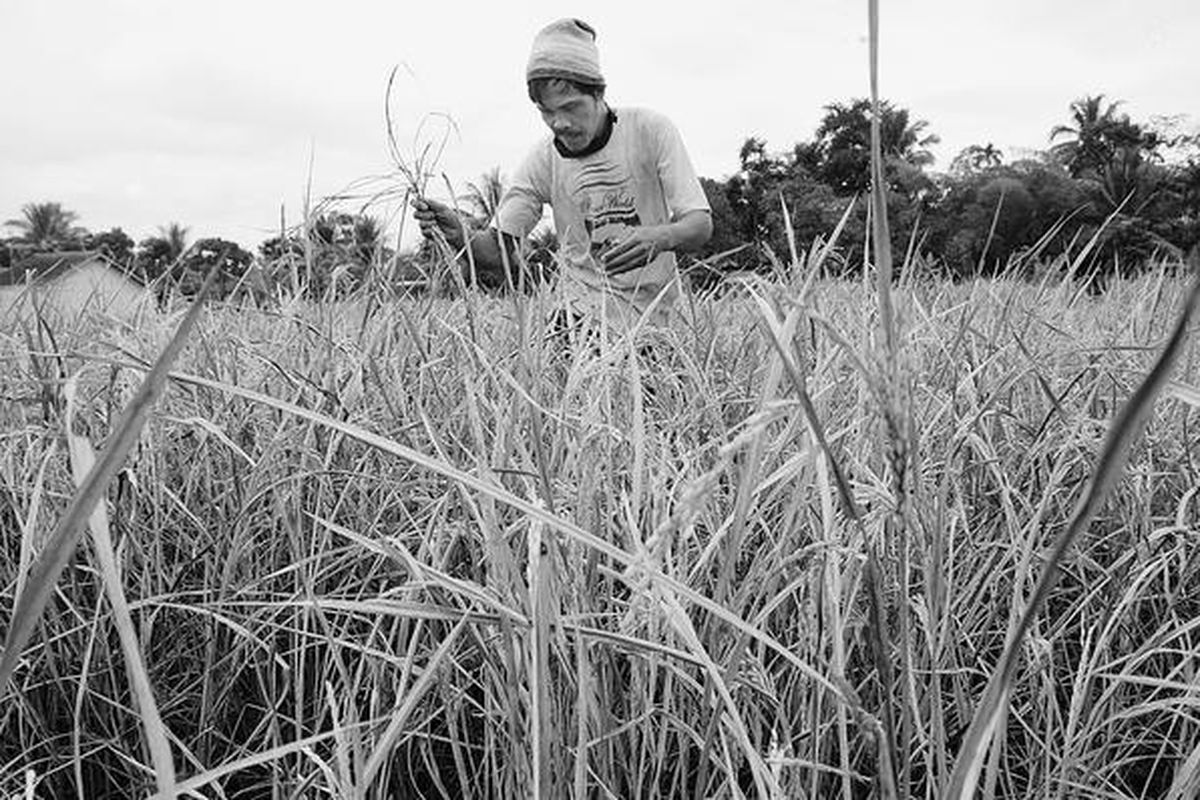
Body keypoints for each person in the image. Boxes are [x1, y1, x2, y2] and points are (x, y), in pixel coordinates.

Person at [412, 17, 712, 333]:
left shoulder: (650, 131)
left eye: (570, 107)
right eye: (546, 112)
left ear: (599, 93)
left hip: (655, 320)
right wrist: (460, 234)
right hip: (577, 321)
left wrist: (659, 237)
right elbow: (499, 252)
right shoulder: (543, 160)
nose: (559, 123)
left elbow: (699, 225)